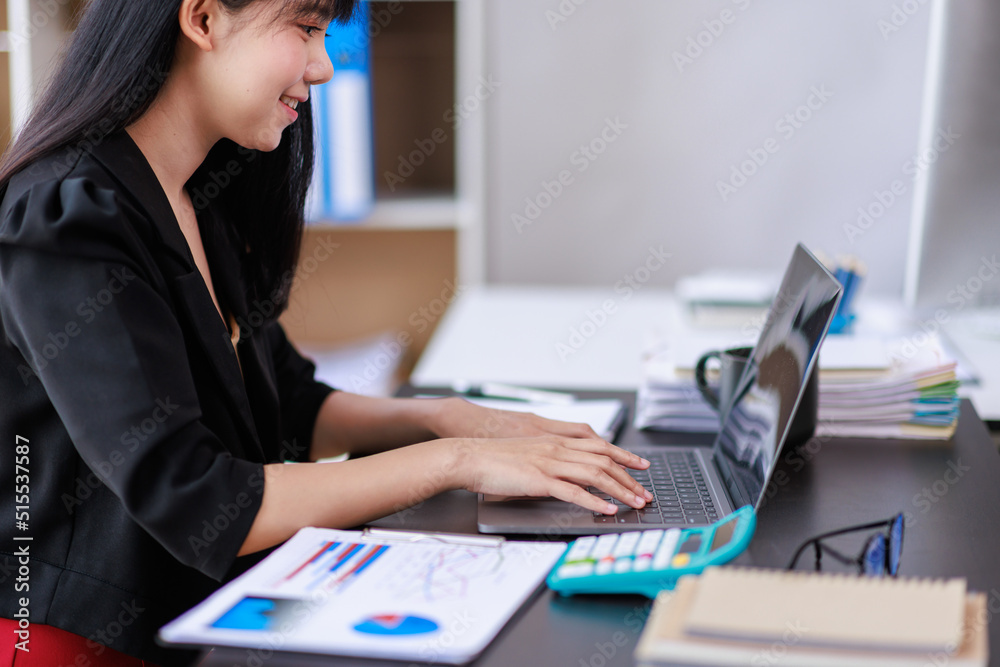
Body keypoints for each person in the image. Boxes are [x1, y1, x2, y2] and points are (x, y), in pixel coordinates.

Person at [0, 1, 652, 665]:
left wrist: (453, 419)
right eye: (306, 29)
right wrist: (456, 460)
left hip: (201, 617)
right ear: (201, 19)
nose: (325, 67)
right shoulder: (65, 217)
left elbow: (289, 403)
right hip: (81, 643)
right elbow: (196, 496)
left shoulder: (198, 194)